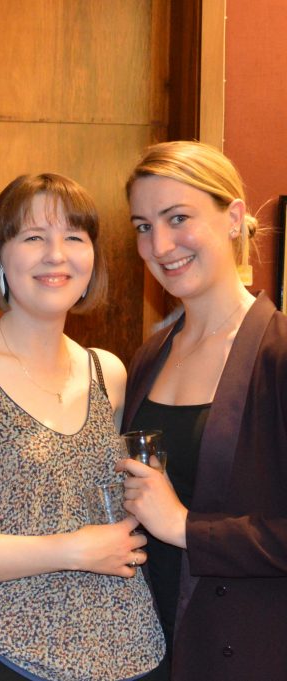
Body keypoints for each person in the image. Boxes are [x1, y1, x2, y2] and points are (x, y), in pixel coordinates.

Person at [0, 173, 165, 681]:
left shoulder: (107, 371)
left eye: (74, 237)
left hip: (137, 656)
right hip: (4, 658)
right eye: (32, 237)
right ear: (0, 258)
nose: (56, 255)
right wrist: (72, 549)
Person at [119, 141, 287, 680]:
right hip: (149, 648)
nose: (160, 244)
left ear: (234, 218)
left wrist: (185, 527)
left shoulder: (279, 354)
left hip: (244, 653)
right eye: (143, 226)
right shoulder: (149, 356)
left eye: (178, 218)